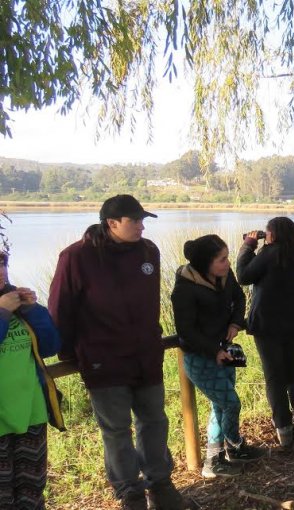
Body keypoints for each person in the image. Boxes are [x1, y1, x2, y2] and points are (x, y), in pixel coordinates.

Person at [48, 195, 184, 510]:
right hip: (103, 359)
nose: (140, 226)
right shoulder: (76, 257)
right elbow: (60, 309)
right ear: (111, 223)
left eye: (142, 220)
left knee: (154, 421)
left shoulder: (149, 251)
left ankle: (161, 486)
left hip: (146, 356)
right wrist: (69, 352)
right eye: (134, 220)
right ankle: (130, 494)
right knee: (116, 430)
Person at [171, 235, 265, 478]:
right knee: (231, 403)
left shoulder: (225, 275)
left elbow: (239, 298)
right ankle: (230, 447)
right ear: (205, 263)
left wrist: (235, 323)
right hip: (201, 357)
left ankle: (220, 457)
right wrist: (214, 351)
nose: (227, 263)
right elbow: (186, 331)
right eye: (222, 259)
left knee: (220, 405)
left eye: (227, 258)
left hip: (226, 348)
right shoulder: (184, 289)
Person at [236, 217, 294, 447]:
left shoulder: (268, 254)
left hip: (268, 325)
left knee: (274, 378)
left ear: (272, 234)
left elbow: (243, 276)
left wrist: (248, 246)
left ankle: (283, 430)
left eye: (267, 232)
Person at [0, 251, 61, 509]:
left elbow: (50, 346)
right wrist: (2, 313)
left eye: (2, 264)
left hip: (30, 412)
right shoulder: (6, 308)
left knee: (32, 493)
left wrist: (34, 311)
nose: (1, 272)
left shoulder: (17, 307)